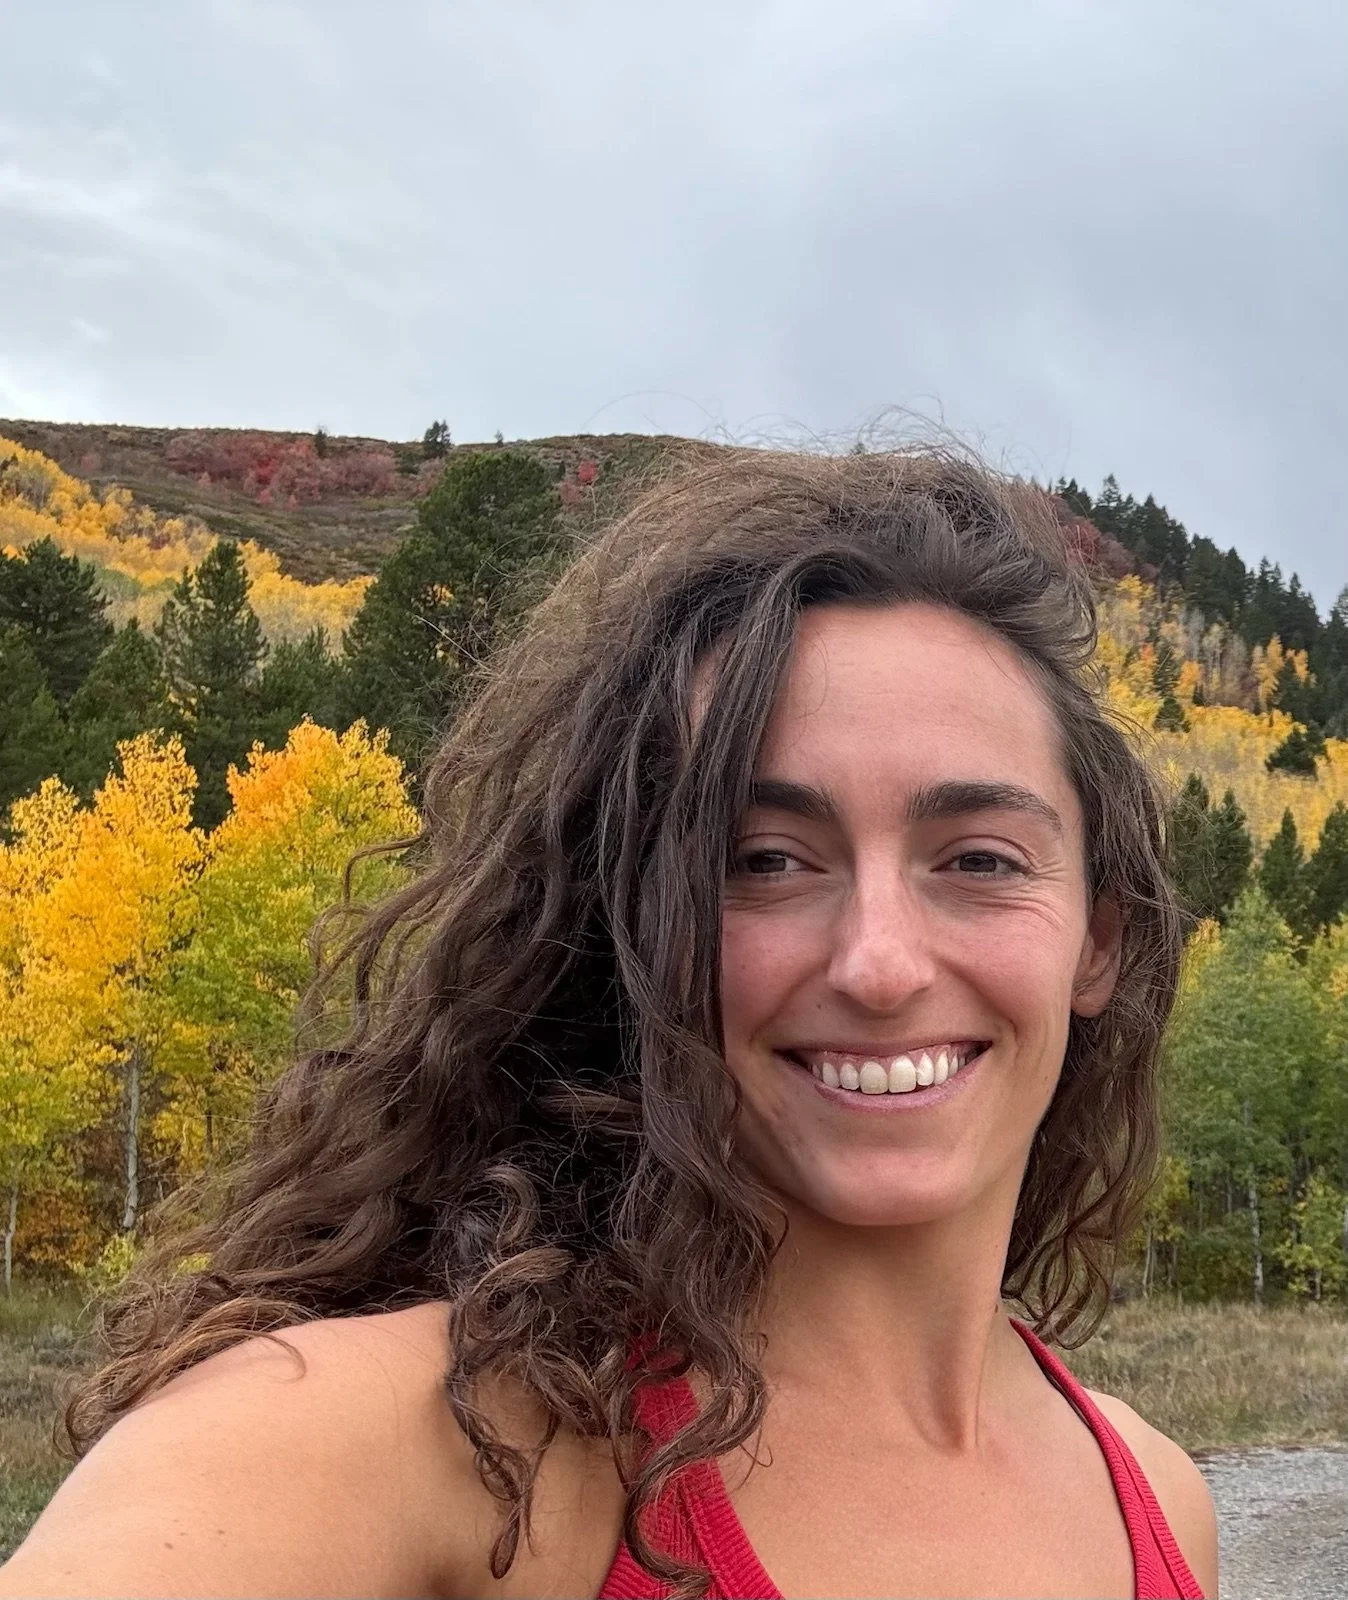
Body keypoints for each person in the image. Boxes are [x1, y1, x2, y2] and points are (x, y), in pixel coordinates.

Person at [0, 448, 1218, 1600]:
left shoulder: (1159, 1500)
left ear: (1096, 941)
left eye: (980, 858)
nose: (881, 963)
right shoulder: (400, 1448)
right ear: (630, 925)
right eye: (765, 858)